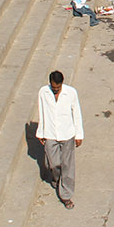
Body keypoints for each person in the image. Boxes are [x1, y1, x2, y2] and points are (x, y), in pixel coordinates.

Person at [37, 70, 83, 209]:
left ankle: (66, 195)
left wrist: (79, 134)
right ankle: (56, 179)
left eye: (58, 88)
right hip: (50, 133)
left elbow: (77, 113)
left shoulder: (71, 93)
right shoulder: (43, 92)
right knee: (53, 163)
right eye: (54, 88)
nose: (56, 90)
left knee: (67, 165)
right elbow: (42, 112)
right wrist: (41, 131)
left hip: (67, 133)